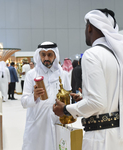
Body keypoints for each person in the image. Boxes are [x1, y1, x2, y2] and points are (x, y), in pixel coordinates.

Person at [53, 8, 123, 150]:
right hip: (116, 136)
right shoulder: (116, 57)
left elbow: (97, 103)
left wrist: (66, 109)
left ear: (90, 27)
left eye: (86, 27)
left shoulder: (92, 54)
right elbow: (109, 99)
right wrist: (85, 99)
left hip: (100, 138)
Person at [21, 41, 71, 150]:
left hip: (57, 121)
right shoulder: (31, 75)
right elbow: (24, 102)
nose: (46, 58)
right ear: (39, 56)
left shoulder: (63, 74)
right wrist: (34, 96)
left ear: (55, 56)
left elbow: (68, 98)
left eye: (50, 54)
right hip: (37, 123)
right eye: (43, 54)